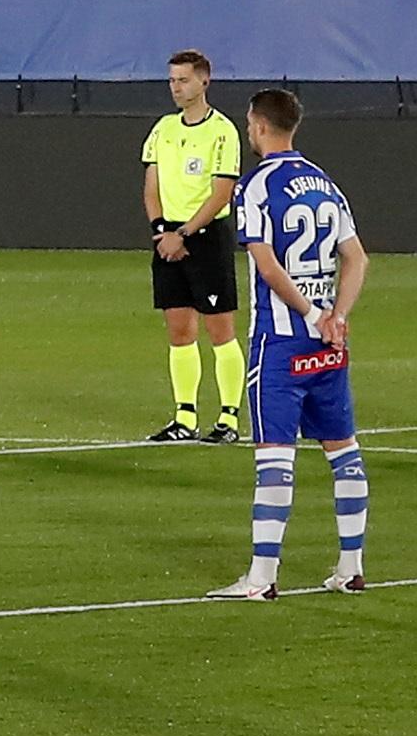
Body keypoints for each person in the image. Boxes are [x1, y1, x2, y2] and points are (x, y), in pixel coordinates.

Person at [213, 89, 369, 600]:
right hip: (330, 343)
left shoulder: (257, 185)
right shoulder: (326, 184)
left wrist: (307, 312)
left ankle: (261, 577)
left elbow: (264, 260)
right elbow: (358, 259)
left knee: (274, 457)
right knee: (343, 453)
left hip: (282, 342)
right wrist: (336, 316)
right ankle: (351, 566)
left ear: (257, 126)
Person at [141, 49, 244, 441]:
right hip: (167, 239)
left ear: (204, 81)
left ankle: (229, 419)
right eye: (172, 80)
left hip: (205, 239)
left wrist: (182, 235)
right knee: (179, 330)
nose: (176, 87)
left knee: (220, 330)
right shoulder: (163, 129)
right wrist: (161, 230)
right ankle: (185, 417)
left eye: (183, 80)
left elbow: (222, 193)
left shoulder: (222, 131)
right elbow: (152, 187)